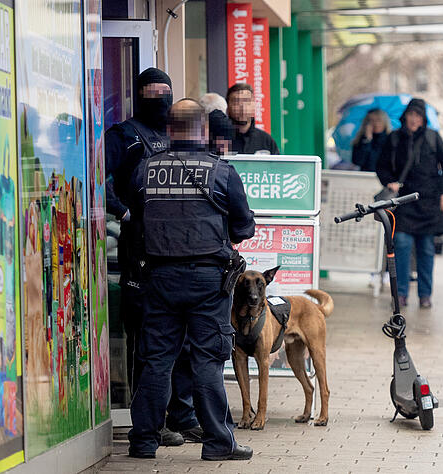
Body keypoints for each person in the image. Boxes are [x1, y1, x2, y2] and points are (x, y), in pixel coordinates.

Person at [126, 99, 255, 461]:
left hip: (160, 280)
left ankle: (143, 442)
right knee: (207, 361)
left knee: (157, 361)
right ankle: (218, 443)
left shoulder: (144, 170)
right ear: (204, 130)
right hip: (208, 283)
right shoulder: (221, 172)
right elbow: (244, 227)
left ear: (169, 129)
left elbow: (136, 216)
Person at [104, 67, 201, 446]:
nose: (158, 97)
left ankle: (181, 415)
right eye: (150, 91)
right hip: (140, 252)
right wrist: (122, 211)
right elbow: (94, 176)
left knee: (186, 339)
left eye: (165, 91)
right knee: (147, 337)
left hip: (177, 252)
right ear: (138, 94)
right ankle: (149, 421)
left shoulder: (177, 137)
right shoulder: (125, 135)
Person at [376, 98, 443, 309]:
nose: (414, 119)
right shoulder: (394, 138)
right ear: (405, 116)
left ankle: (425, 294)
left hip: (429, 203)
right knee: (401, 244)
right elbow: (381, 166)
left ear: (423, 119)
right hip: (403, 203)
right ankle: (400, 293)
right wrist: (389, 182)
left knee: (426, 249)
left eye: (418, 116)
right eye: (411, 115)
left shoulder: (432, 137)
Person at [226, 83, 280, 155]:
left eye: (247, 101)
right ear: (227, 107)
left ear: (254, 105)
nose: (243, 107)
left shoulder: (266, 141)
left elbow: (277, 166)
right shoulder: (218, 140)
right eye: (237, 102)